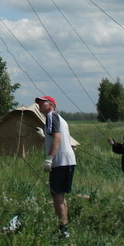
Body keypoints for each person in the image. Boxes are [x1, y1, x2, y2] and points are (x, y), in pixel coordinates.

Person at [36, 96, 76, 239]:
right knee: (61, 196)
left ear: (51, 104)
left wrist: (49, 159)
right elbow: (55, 137)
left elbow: (57, 138)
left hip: (60, 162)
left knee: (57, 196)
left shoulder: (51, 116)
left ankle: (63, 230)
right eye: (39, 103)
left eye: (43, 102)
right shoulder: (60, 119)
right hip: (69, 160)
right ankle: (65, 225)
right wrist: (44, 136)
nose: (40, 105)